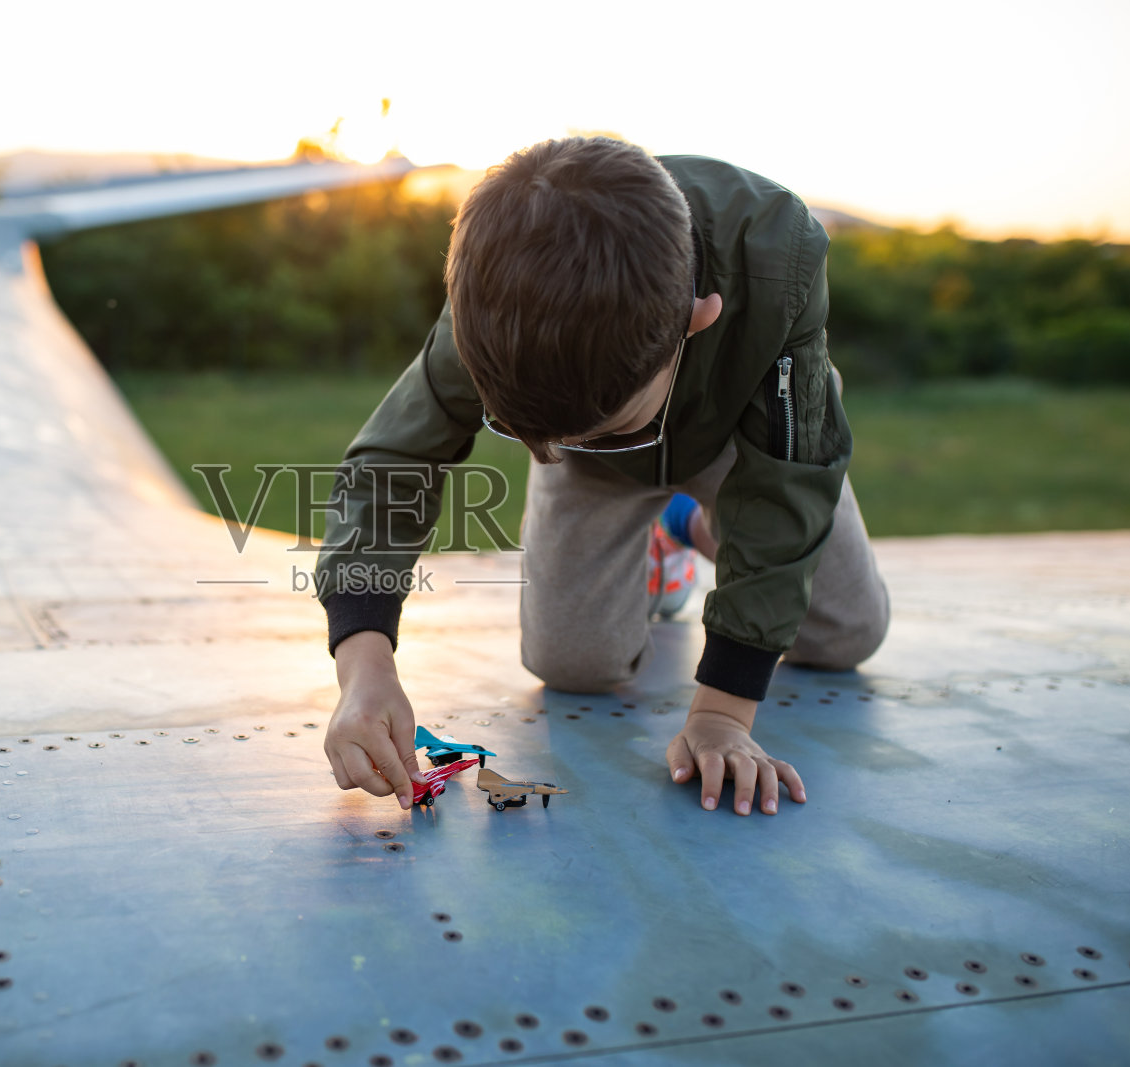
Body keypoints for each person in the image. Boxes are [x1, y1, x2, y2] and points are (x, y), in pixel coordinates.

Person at [317, 137, 890, 817]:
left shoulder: (776, 252)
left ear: (696, 319)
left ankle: (688, 519)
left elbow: (789, 485)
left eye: (607, 423)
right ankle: (664, 529)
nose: (563, 443)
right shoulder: (495, 294)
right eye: (535, 433)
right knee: (575, 667)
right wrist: (364, 666)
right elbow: (392, 461)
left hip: (748, 435)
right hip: (595, 473)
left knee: (846, 636)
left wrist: (723, 713)